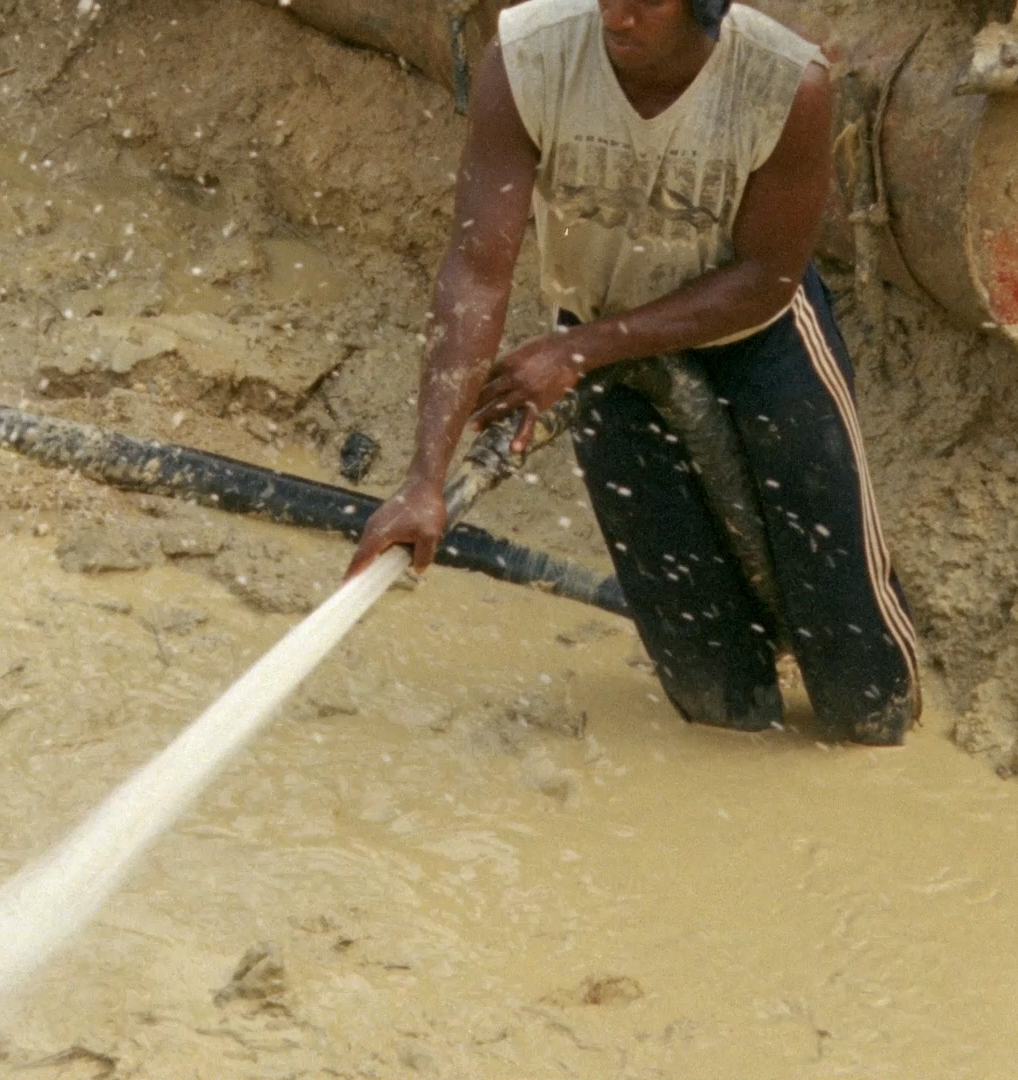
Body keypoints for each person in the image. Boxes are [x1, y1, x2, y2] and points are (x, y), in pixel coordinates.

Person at [344, 0, 920, 745]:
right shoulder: (527, 58)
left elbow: (767, 277)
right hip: (597, 335)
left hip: (759, 339)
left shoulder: (787, 83)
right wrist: (424, 478)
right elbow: (476, 272)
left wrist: (579, 352)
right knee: (708, 683)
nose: (617, 15)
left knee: (861, 681)